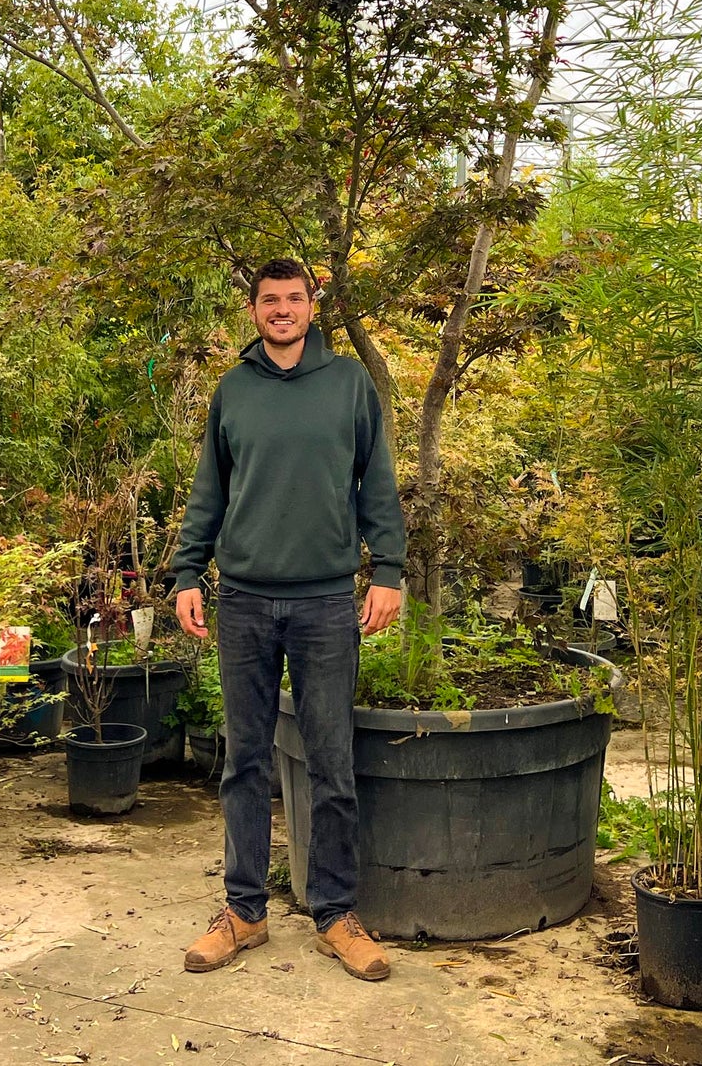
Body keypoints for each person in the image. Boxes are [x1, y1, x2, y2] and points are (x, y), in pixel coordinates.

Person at [172, 259, 406, 983]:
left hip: (326, 601)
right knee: (243, 763)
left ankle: (335, 914)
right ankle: (243, 912)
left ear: (312, 306)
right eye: (269, 300)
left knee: (332, 763)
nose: (281, 310)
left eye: (293, 299)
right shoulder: (233, 390)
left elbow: (378, 480)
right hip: (241, 600)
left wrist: (388, 570)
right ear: (253, 310)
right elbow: (209, 488)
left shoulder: (346, 385)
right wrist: (187, 572)